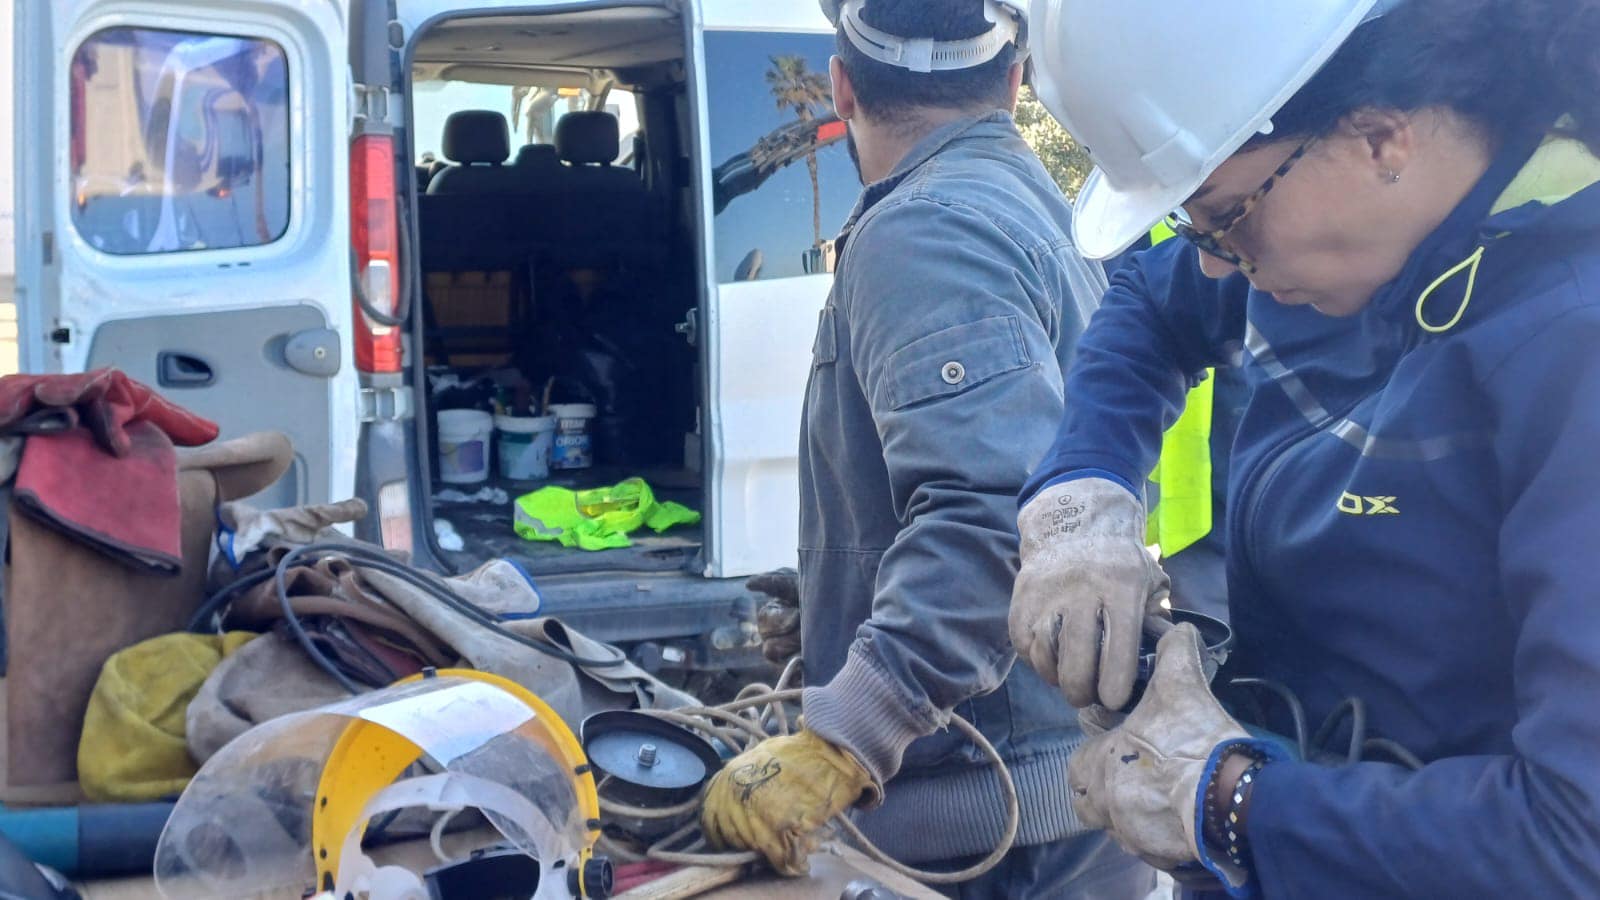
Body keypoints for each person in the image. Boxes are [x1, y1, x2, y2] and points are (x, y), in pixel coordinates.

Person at [1010, 0, 1600, 895]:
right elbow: (1148, 299)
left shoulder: (1568, 341)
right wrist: (1080, 498)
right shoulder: (1319, 240)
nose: (1212, 262)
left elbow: (1573, 838)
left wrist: (1233, 803)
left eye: (1225, 218)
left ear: (1380, 140)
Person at [701, 1, 1152, 896]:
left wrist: (846, 735)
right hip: (1056, 805)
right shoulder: (1032, 201)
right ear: (1013, 85)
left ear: (839, 85)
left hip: (997, 841)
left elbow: (998, 515)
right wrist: (843, 594)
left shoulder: (925, 230)